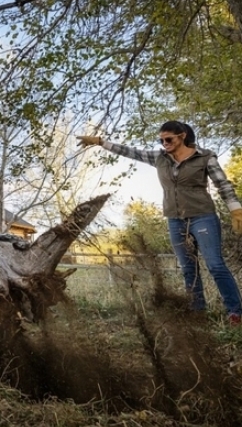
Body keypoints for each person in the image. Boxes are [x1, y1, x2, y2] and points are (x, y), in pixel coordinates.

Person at [77, 121, 242, 324]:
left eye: (169, 139)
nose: (164, 143)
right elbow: (131, 152)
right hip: (175, 220)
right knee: (188, 267)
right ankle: (197, 310)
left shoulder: (205, 157)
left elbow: (222, 184)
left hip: (202, 216)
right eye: (161, 140)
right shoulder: (160, 158)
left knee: (215, 265)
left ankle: (235, 312)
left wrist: (235, 209)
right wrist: (101, 142)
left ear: (182, 136)